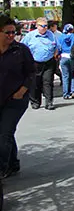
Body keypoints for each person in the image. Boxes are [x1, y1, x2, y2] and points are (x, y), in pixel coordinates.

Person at [0, 16, 35, 177]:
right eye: (7, 32)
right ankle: (13, 163)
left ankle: (2, 168)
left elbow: (32, 73)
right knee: (6, 132)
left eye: (14, 32)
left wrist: (22, 91)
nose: (11, 36)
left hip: (15, 100)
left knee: (4, 132)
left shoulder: (20, 50)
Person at [21, 17, 57, 110]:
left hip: (48, 62)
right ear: (37, 26)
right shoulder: (30, 36)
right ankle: (35, 101)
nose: (44, 28)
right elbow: (22, 48)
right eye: (42, 26)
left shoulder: (51, 35)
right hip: (35, 63)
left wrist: (55, 54)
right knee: (35, 83)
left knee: (48, 82)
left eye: (46, 26)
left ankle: (49, 102)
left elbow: (56, 46)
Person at [58, 24, 74, 99]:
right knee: (72, 74)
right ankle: (72, 91)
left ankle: (65, 93)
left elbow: (59, 48)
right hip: (72, 57)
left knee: (65, 76)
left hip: (64, 57)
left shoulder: (61, 37)